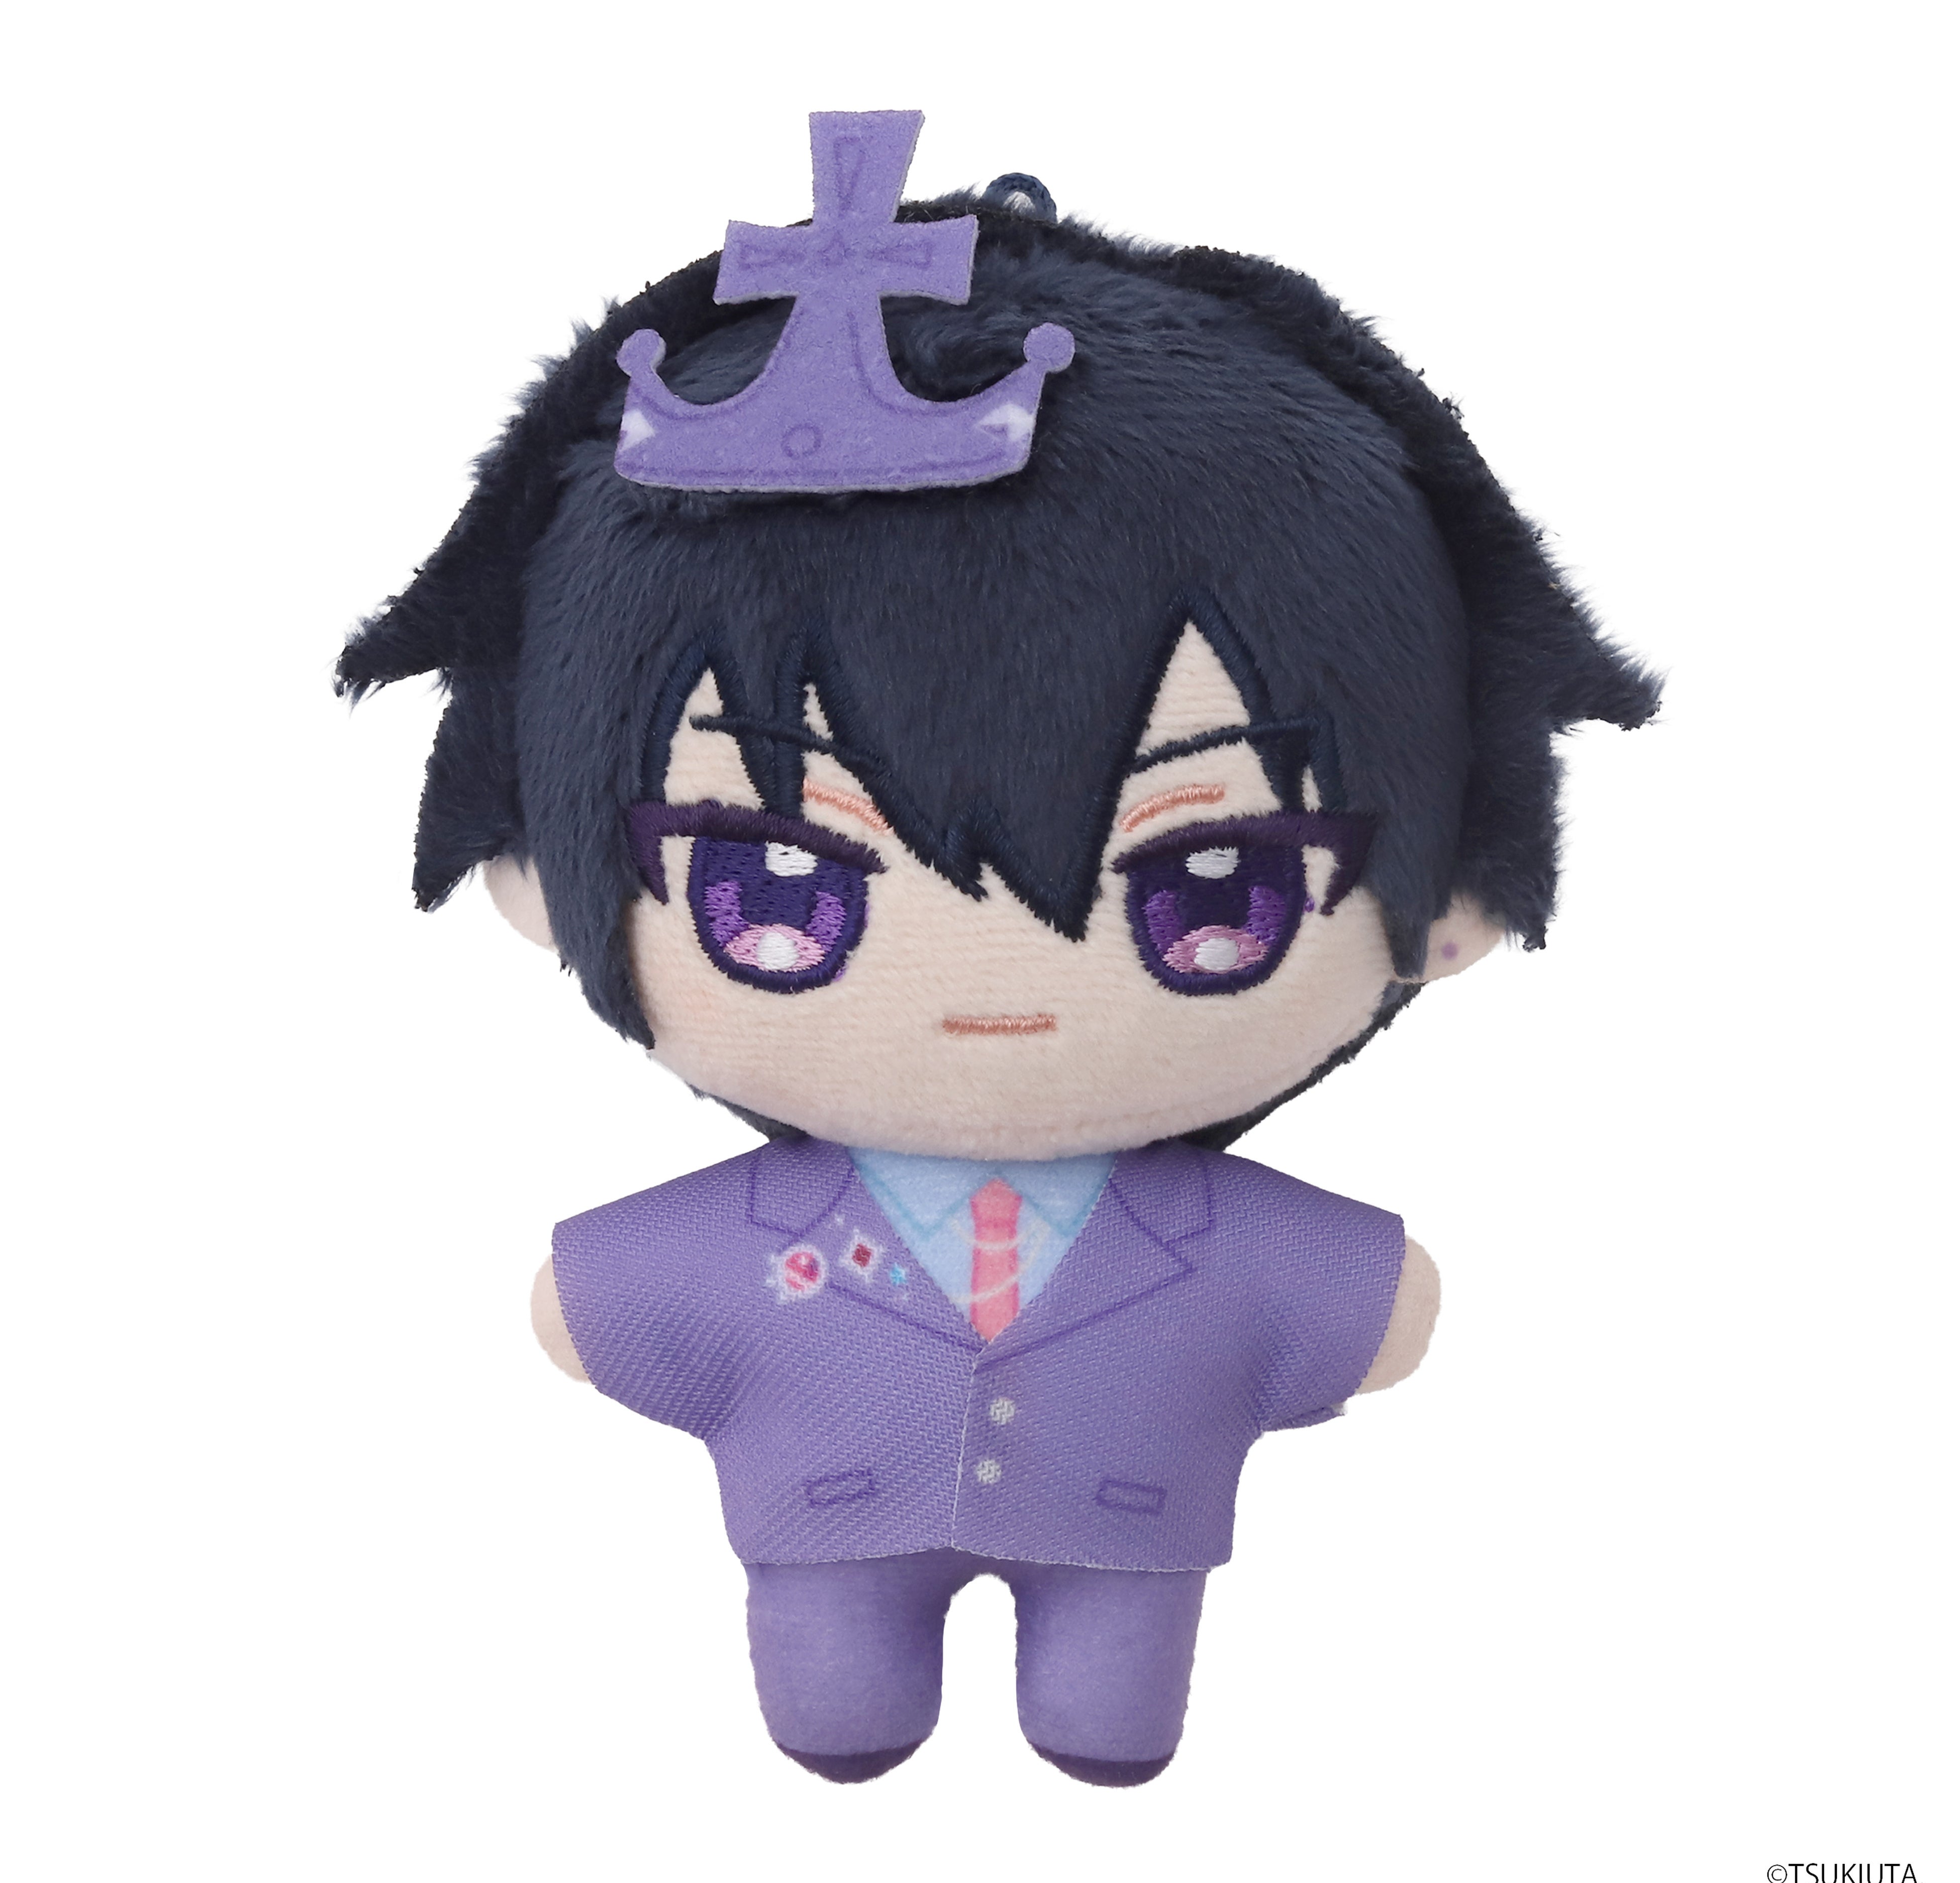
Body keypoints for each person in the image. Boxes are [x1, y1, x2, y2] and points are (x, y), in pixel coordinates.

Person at [340, 112, 1657, 1785]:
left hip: (1129, 1535)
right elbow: (583, 1309)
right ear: (540, 875)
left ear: (1448, 894)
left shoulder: (1225, 1245)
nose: (994, 981)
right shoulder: (740, 1243)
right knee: (838, 1702)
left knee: (1109, 1717)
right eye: (773, 880)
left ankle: (1078, 1730)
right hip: (826, 1531)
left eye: (1215, 881)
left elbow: (1377, 1310)